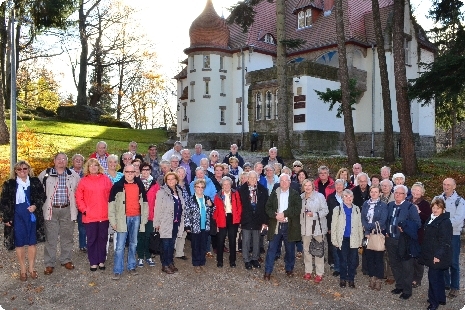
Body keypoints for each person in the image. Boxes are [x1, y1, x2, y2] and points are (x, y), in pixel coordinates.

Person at [1, 160, 45, 281]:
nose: (22, 171)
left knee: (32, 242)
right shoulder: (9, 184)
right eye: (19, 169)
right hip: (17, 217)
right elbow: (4, 202)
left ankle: (31, 268)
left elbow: (42, 196)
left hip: (31, 217)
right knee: (19, 243)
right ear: (15, 171)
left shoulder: (35, 182)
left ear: (28, 169)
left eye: (25, 169)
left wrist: (35, 206)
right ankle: (23, 269)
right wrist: (6, 218)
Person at [38, 153, 80, 275]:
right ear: (54, 161)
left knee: (67, 237)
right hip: (51, 210)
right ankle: (49, 263)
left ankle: (65, 259)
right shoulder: (45, 174)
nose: (61, 161)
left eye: (64, 159)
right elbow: (37, 190)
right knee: (51, 238)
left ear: (67, 162)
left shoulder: (73, 175)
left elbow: (80, 191)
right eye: (59, 159)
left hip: (67, 209)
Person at [109, 164, 148, 280]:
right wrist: (113, 221)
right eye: (127, 172)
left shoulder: (139, 185)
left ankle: (131, 266)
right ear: (124, 172)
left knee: (133, 243)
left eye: (132, 172)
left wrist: (144, 218)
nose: (130, 174)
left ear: (135, 172)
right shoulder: (117, 186)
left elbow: (145, 203)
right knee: (120, 246)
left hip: (136, 218)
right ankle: (117, 269)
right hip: (122, 219)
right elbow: (111, 206)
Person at [75, 158, 112, 272]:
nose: (93, 167)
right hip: (89, 216)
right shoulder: (83, 181)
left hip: (104, 215)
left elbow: (112, 195)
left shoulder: (105, 179)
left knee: (102, 238)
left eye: (95, 165)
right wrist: (84, 210)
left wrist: (111, 210)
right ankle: (93, 261)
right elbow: (79, 197)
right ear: (87, 168)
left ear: (99, 166)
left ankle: (101, 260)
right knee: (91, 239)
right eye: (91, 165)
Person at [386, 185, 421, 300]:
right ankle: (399, 285)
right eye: (396, 192)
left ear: (405, 195)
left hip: (404, 241)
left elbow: (417, 223)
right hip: (390, 239)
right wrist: (385, 231)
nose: (397, 195)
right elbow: (386, 219)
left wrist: (405, 228)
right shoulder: (390, 205)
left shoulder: (410, 207)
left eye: (400, 193)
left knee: (406, 266)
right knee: (394, 264)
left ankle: (407, 290)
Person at [263, 174, 301, 280]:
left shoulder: (294, 194)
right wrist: (276, 216)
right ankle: (268, 271)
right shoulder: (275, 193)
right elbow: (268, 207)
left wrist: (284, 214)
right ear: (279, 182)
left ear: (290, 182)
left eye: (286, 180)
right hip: (276, 225)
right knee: (272, 248)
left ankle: (289, 269)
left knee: (290, 249)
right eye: (282, 180)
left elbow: (297, 208)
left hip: (289, 225)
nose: (284, 182)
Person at [434, 177, 465, 298]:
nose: (446, 187)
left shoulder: (460, 201)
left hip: (453, 235)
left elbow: (459, 219)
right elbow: (433, 214)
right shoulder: (437, 199)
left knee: (453, 262)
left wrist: (442, 224)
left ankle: (455, 287)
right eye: (444, 184)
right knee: (441, 259)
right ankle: (446, 283)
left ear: (454, 186)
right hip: (439, 235)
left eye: (448, 185)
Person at [419, 198, 452, 310]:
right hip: (430, 252)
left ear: (443, 209)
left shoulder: (445, 222)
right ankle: (441, 298)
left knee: (433, 278)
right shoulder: (432, 218)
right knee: (438, 277)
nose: (435, 210)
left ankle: (433, 302)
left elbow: (445, 241)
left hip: (438, 254)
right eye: (433, 207)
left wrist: (438, 255)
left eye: (438, 208)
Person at [331, 189, 364, 288]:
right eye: (346, 196)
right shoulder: (337, 209)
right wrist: (334, 240)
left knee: (353, 260)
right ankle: (343, 278)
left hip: (353, 239)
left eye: (350, 196)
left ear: (353, 198)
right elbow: (334, 226)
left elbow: (359, 225)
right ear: (342, 198)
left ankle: (351, 279)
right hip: (342, 239)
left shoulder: (357, 209)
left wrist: (360, 240)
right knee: (343, 260)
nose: (348, 198)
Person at [154, 172, 185, 274]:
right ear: (166, 181)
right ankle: (165, 264)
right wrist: (157, 223)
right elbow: (157, 208)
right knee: (165, 245)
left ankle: (170, 262)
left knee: (172, 244)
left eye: (173, 179)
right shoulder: (162, 192)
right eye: (168, 179)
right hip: (165, 222)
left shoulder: (179, 191)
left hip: (176, 222)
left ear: (176, 180)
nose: (171, 181)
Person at [300, 179, 328, 283]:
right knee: (306, 250)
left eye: (309, 185)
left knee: (318, 251)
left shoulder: (319, 196)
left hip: (317, 228)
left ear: (313, 186)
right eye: (305, 185)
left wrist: (315, 215)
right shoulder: (301, 198)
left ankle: (319, 272)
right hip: (305, 228)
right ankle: (308, 271)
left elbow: (326, 210)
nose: (307, 187)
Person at [238, 171, 268, 270]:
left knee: (256, 240)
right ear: (247, 178)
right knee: (246, 240)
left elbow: (265, 206)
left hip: (258, 218)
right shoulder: (242, 190)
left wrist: (265, 221)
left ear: (257, 179)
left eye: (254, 178)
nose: (252, 180)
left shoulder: (263, 190)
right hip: (246, 218)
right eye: (250, 178)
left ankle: (255, 258)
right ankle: (246, 259)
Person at [184, 179, 215, 273]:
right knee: (195, 246)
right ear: (195, 188)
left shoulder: (207, 198)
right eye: (198, 187)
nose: (200, 189)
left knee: (203, 245)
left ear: (204, 188)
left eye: (202, 187)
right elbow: (186, 214)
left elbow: (213, 211)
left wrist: (211, 205)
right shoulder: (190, 199)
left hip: (205, 226)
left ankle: (202, 262)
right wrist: (187, 226)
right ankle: (196, 263)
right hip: (195, 227)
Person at [361, 186, 388, 291]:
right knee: (369, 257)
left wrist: (369, 227)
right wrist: (367, 231)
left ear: (380, 193)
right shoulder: (366, 204)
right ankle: (372, 277)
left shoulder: (383, 205)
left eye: (376, 192)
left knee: (379, 257)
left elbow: (382, 220)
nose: (373, 193)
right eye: (371, 192)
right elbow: (363, 218)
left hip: (377, 233)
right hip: (368, 235)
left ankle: (379, 279)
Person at [213, 176, 242, 268]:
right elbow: (216, 210)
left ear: (231, 184)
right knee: (220, 240)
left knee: (232, 240)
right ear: (222, 185)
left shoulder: (235, 193)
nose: (226, 186)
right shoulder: (218, 195)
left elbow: (239, 206)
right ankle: (219, 260)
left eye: (228, 184)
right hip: (222, 218)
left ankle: (232, 261)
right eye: (224, 184)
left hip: (233, 218)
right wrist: (216, 223)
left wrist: (238, 217)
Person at [137, 162, 160, 267]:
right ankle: (141, 257)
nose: (145, 172)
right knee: (140, 236)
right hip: (138, 214)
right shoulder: (136, 182)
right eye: (143, 170)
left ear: (150, 171)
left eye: (147, 170)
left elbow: (158, 201)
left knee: (148, 236)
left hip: (151, 215)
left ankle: (148, 256)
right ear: (141, 171)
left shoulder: (155, 184)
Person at [409, 182, 431, 289]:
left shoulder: (425, 204)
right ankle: (409, 276)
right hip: (407, 232)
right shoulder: (408, 200)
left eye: (418, 190)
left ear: (422, 193)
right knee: (409, 255)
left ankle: (417, 279)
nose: (416, 192)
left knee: (417, 257)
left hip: (419, 233)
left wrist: (419, 212)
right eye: (414, 189)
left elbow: (428, 219)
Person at [105, 154, 124, 253]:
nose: (113, 164)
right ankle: (105, 252)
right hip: (106, 205)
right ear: (107, 163)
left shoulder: (121, 176)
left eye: (115, 162)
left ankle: (117, 251)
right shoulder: (103, 175)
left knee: (118, 228)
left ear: (117, 164)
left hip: (119, 206)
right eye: (110, 162)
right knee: (106, 230)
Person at [326, 179, 345, 277]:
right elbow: (328, 213)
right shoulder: (330, 197)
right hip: (333, 226)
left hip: (345, 227)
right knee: (335, 247)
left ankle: (344, 267)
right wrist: (329, 227)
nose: (338, 187)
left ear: (344, 186)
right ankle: (337, 267)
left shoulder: (348, 197)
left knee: (345, 248)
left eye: (340, 185)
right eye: (337, 185)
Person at [70, 154, 87, 253]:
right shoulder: (67, 172)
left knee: (82, 225)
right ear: (72, 161)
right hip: (71, 202)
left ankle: (82, 245)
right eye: (76, 160)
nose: (78, 161)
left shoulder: (85, 173)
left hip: (82, 202)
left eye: (81, 160)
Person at [174, 166, 190, 261]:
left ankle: (179, 253)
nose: (181, 174)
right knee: (175, 232)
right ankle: (173, 248)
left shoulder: (186, 186)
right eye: (179, 172)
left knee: (183, 233)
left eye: (183, 173)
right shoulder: (173, 185)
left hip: (186, 213)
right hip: (176, 212)